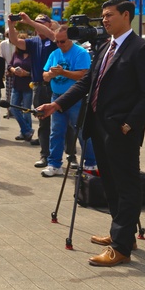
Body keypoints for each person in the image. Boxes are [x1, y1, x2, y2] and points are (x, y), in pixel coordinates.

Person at [38, 0, 145, 267]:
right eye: (103, 16)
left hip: (122, 131)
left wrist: (130, 124)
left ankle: (120, 248)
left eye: (110, 15)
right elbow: (87, 82)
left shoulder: (142, 49)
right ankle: (123, 235)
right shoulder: (106, 47)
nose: (104, 20)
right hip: (98, 128)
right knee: (111, 186)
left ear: (126, 16)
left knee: (127, 187)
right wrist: (57, 104)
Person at [40, 25, 96, 177]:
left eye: (62, 41)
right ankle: (54, 164)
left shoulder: (80, 53)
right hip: (56, 96)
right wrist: (50, 74)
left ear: (70, 39)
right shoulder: (54, 53)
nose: (59, 45)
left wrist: (63, 72)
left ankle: (90, 163)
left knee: (82, 132)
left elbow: (84, 75)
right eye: (56, 42)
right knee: (56, 132)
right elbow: (44, 75)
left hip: (75, 99)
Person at [8, 13, 57, 167]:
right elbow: (15, 41)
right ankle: (45, 155)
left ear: (49, 24)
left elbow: (50, 34)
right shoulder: (33, 42)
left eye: (41, 23)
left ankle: (70, 156)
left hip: (55, 85)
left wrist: (29, 21)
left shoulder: (54, 38)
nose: (37, 27)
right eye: (36, 24)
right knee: (43, 122)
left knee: (62, 122)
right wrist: (11, 25)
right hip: (38, 86)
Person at [8, 37, 35, 141]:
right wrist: (14, 70)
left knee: (26, 110)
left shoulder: (33, 55)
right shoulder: (16, 54)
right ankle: (27, 130)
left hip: (28, 85)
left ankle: (24, 133)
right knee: (14, 108)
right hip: (16, 85)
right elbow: (9, 65)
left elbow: (37, 71)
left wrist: (26, 73)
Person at [0, 29, 16, 118]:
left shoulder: (18, 42)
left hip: (17, 71)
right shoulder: (3, 44)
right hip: (8, 71)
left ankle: (17, 111)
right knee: (8, 92)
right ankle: (9, 111)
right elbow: (2, 58)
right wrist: (7, 69)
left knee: (17, 92)